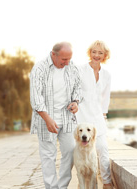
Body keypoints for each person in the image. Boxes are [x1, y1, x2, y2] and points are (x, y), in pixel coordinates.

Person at [29, 42, 82, 189]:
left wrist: (75, 102)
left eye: (69, 59)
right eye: (64, 59)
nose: (66, 63)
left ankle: (62, 186)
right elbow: (35, 98)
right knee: (48, 156)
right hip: (45, 119)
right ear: (53, 54)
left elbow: (78, 87)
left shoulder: (72, 67)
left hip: (67, 119)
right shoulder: (39, 68)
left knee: (71, 151)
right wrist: (47, 119)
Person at [76, 40, 113, 189]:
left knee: (102, 148)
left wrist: (103, 115)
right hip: (81, 116)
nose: (96, 55)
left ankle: (107, 182)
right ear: (90, 53)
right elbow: (74, 90)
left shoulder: (106, 75)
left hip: (98, 117)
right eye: (94, 52)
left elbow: (106, 97)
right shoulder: (80, 70)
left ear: (105, 56)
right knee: (82, 152)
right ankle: (83, 184)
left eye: (100, 53)